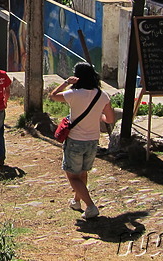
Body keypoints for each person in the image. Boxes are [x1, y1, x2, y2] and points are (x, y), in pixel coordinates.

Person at [49, 62, 114, 219]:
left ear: (77, 77)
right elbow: (110, 119)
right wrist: (98, 116)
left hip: (75, 140)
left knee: (72, 176)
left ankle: (91, 206)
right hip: (93, 141)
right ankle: (76, 201)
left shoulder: (74, 94)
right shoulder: (102, 95)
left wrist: (66, 82)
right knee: (83, 173)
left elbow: (53, 96)